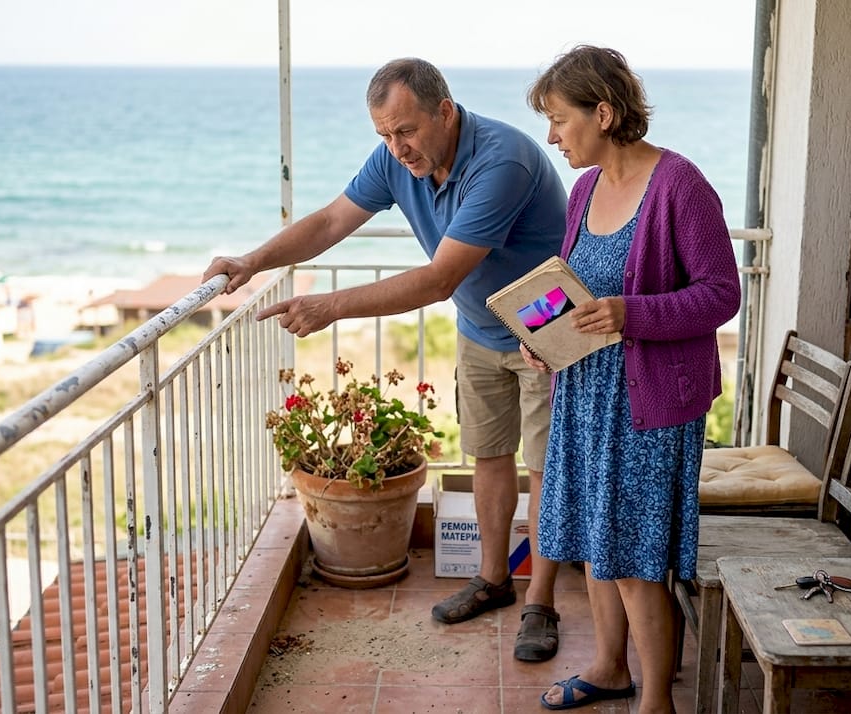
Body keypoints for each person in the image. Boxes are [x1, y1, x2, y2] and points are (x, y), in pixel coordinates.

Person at [201, 58, 569, 662]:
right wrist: (252, 262)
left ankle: (542, 602)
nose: (396, 148)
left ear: (445, 112)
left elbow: (439, 278)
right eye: (384, 136)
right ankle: (496, 580)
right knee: (489, 458)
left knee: (544, 470)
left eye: (406, 131)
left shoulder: (501, 159)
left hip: (546, 331)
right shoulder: (398, 158)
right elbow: (329, 220)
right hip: (482, 328)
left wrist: (332, 306)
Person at [522, 46, 741, 712]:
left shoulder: (680, 186)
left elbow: (721, 294)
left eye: (560, 120)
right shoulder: (585, 189)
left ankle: (656, 703)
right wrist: (540, 334)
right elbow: (571, 281)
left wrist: (631, 314)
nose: (552, 137)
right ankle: (610, 668)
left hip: (648, 407)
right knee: (594, 540)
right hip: (584, 395)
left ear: (605, 113)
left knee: (638, 558)